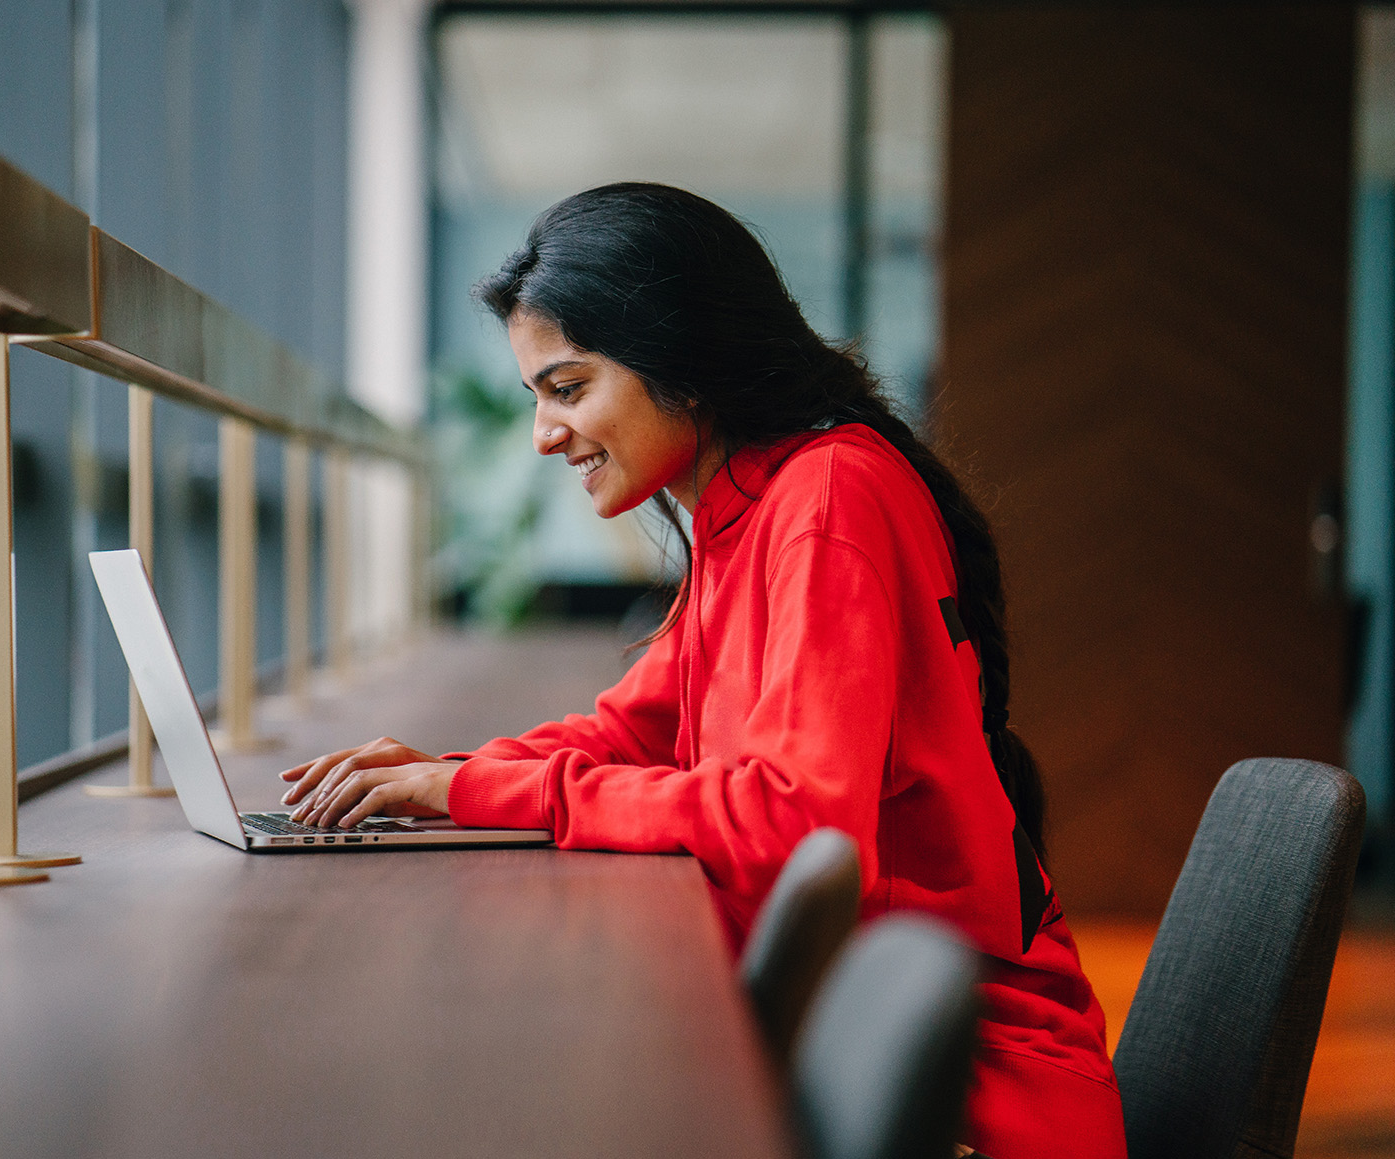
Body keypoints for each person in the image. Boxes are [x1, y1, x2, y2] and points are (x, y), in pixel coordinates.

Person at [278, 183, 1126, 1159]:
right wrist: (441, 780)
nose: (543, 433)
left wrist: (478, 788)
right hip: (853, 1029)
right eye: (535, 397)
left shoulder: (826, 498)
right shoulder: (745, 502)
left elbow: (797, 820)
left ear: (680, 361)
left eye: (567, 387)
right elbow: (630, 726)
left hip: (950, 1089)